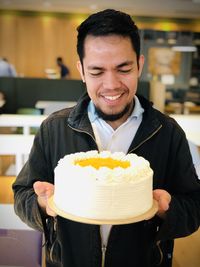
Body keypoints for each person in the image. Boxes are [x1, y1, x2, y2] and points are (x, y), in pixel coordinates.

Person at [13, 9, 200, 267]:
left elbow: (194, 206)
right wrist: (43, 205)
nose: (111, 85)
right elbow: (22, 194)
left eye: (123, 69)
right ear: (81, 70)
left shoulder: (167, 133)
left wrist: (166, 210)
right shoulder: (54, 129)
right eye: (97, 71)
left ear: (139, 65)